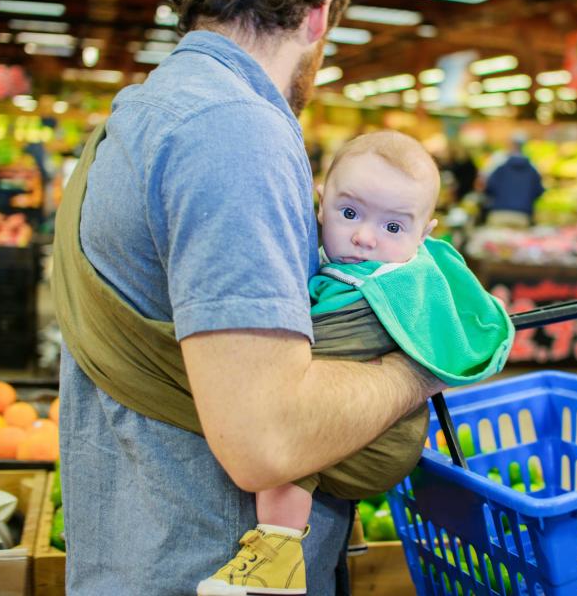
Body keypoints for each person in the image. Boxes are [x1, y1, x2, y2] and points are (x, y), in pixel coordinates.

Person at [50, 0, 446, 594]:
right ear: (319, 14)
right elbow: (269, 439)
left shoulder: (155, 103)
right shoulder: (233, 132)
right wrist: (422, 369)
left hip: (146, 542)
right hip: (211, 560)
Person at [198, 131, 513, 595]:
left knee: (285, 446)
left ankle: (275, 562)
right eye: (349, 214)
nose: (364, 237)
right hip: (372, 434)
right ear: (320, 205)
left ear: (424, 234)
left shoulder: (395, 284)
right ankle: (327, 527)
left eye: (393, 228)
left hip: (383, 441)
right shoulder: (347, 261)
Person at [484, 132, 545, 227]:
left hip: (499, 213)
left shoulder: (500, 166)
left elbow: (488, 187)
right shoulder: (533, 169)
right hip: (523, 215)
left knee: (496, 241)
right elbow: (539, 191)